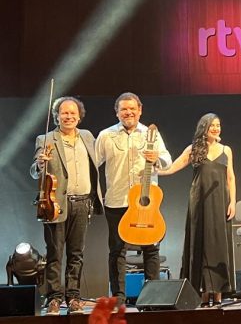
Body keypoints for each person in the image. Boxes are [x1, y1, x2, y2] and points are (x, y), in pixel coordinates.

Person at [95, 92, 172, 305]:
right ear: (117, 112)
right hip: (117, 200)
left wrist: (157, 159)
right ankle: (118, 297)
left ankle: (152, 295)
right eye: (123, 109)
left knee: (151, 248)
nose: (128, 113)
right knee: (117, 250)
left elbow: (167, 161)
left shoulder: (151, 134)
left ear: (140, 110)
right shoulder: (106, 135)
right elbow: (93, 165)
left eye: (132, 109)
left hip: (146, 203)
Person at [30, 96, 104, 315]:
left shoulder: (88, 137)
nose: (69, 116)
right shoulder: (45, 139)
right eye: (64, 113)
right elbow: (34, 172)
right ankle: (53, 298)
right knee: (54, 253)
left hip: (82, 203)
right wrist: (40, 163)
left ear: (79, 116)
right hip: (55, 204)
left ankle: (73, 297)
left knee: (76, 254)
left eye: (73, 113)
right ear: (57, 116)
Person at [159, 113, 236, 307]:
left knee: (218, 246)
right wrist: (154, 169)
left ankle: (218, 294)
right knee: (200, 244)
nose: (216, 129)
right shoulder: (194, 149)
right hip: (199, 201)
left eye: (218, 125)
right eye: (212, 126)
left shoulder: (226, 150)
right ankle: (201, 293)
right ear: (204, 128)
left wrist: (232, 202)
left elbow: (231, 178)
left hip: (220, 202)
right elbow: (172, 168)